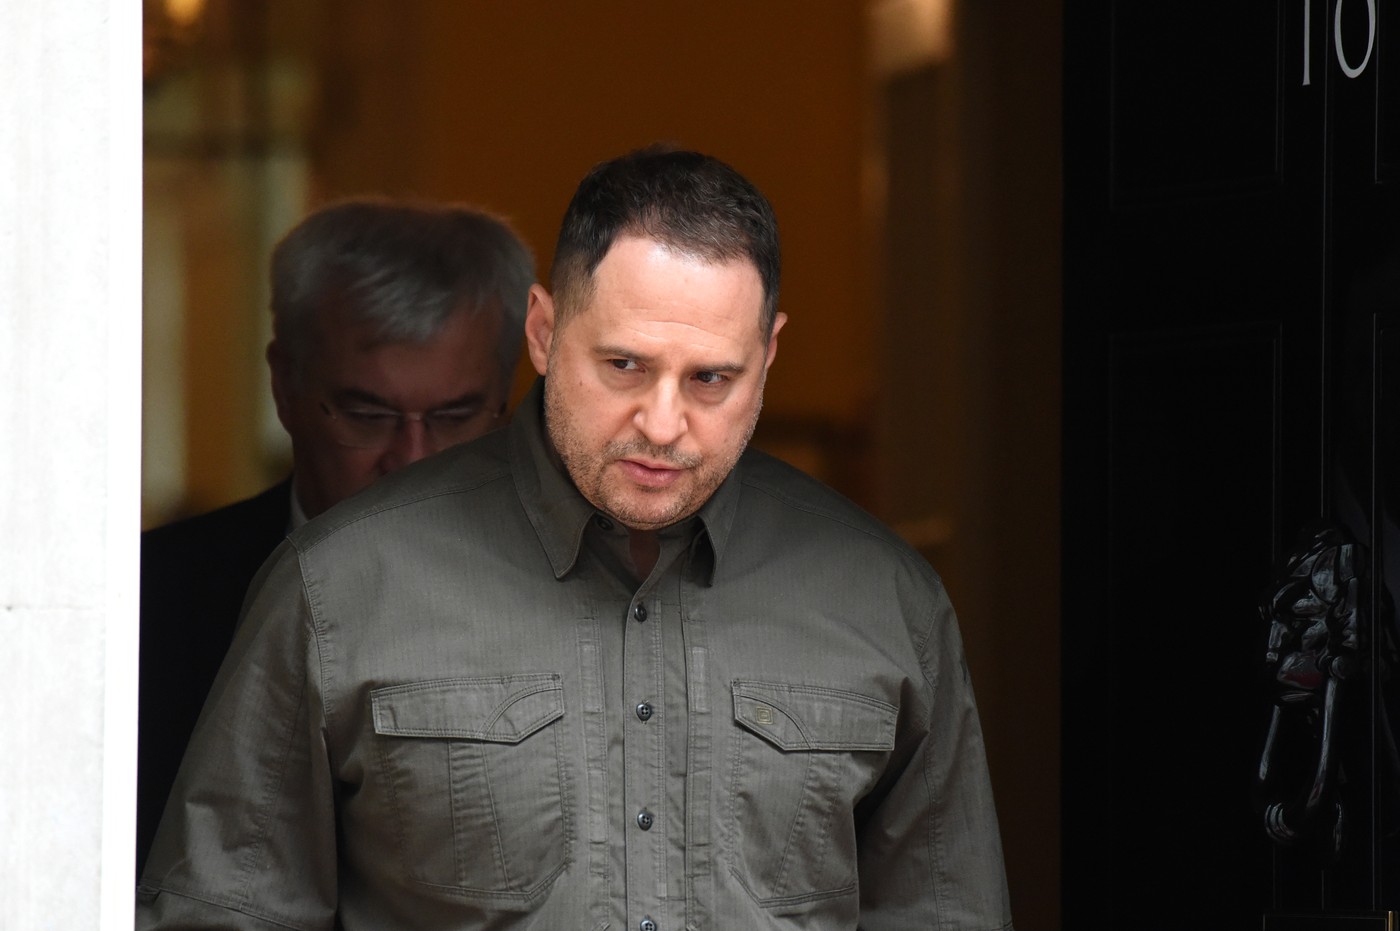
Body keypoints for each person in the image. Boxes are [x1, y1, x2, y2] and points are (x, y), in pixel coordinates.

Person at [137, 148, 1013, 930]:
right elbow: (225, 913)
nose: (663, 423)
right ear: (544, 333)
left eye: (711, 378)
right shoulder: (335, 586)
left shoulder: (884, 599)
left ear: (769, 355)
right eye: (624, 365)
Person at [136, 199, 535, 876]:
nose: (412, 459)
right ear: (284, 388)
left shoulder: (577, 599)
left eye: (455, 416)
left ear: (505, 403)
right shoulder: (150, 604)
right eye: (367, 413)